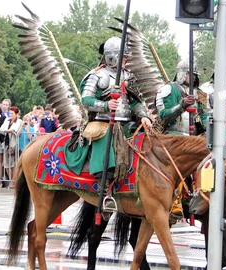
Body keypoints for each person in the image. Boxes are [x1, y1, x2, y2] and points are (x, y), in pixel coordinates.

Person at [68, 36, 152, 218]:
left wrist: (144, 116)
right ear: (112, 56)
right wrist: (106, 106)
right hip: (103, 121)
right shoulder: (98, 75)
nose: (126, 60)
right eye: (123, 57)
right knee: (107, 138)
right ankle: (104, 191)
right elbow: (86, 100)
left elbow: (135, 102)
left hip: (127, 123)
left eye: (126, 58)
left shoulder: (128, 76)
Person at [155, 58, 210, 220]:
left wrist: (211, 128)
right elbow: (163, 116)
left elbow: (205, 115)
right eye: (188, 74)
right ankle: (176, 201)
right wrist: (181, 105)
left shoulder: (200, 94)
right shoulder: (169, 89)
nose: (192, 78)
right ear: (181, 74)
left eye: (194, 75)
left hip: (193, 138)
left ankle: (203, 195)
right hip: (173, 137)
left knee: (209, 158)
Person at [0, 106, 21, 189]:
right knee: (6, 164)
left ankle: (13, 182)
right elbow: (1, 129)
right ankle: (11, 180)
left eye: (12, 113)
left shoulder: (19, 121)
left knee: (13, 164)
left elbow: (14, 129)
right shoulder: (7, 120)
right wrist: (4, 131)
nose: (10, 115)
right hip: (6, 143)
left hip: (13, 144)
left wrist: (6, 130)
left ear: (16, 114)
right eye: (9, 113)